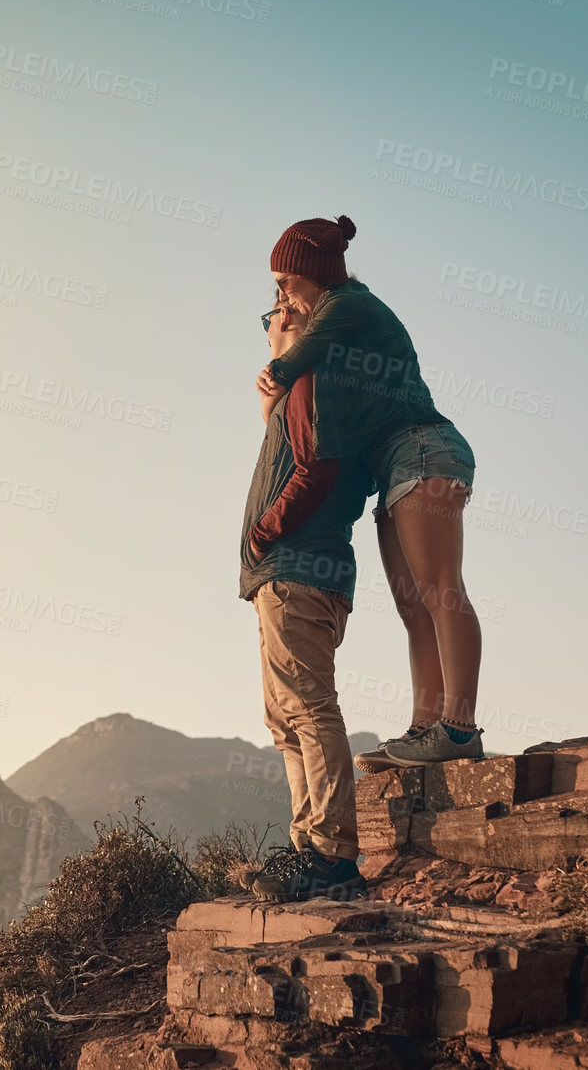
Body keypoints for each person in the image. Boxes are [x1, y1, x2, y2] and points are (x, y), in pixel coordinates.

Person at [256, 215, 484, 768]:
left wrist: (277, 357)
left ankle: (458, 730)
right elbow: (288, 428)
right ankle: (426, 728)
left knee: (441, 591)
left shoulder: (347, 302)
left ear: (313, 273)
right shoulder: (337, 335)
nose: (281, 294)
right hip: (395, 466)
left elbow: (297, 359)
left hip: (422, 448)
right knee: (414, 606)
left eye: (285, 281)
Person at [239, 299, 372, 902]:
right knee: (285, 719)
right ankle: (308, 850)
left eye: (270, 311)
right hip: (286, 574)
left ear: (291, 319)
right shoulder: (297, 389)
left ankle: (334, 854)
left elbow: (317, 467)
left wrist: (268, 529)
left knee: (309, 710)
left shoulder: (312, 384)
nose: (265, 323)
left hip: (297, 569)